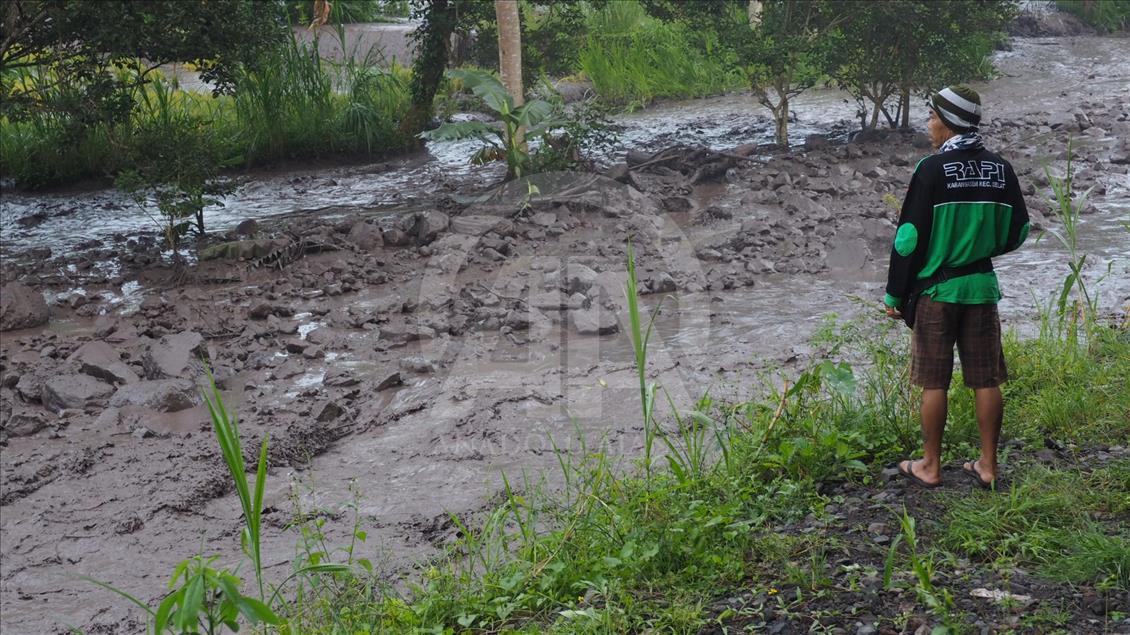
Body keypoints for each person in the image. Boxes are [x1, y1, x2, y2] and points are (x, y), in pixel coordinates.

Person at [883, 85, 1030, 489]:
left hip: (937, 292)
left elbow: (908, 238)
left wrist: (895, 294)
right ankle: (988, 465)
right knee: (986, 379)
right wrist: (981, 246)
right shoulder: (1000, 169)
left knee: (935, 381)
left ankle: (930, 466)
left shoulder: (930, 170)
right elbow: (1020, 230)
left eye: (932, 116)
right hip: (981, 288)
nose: (929, 124)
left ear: (948, 123)